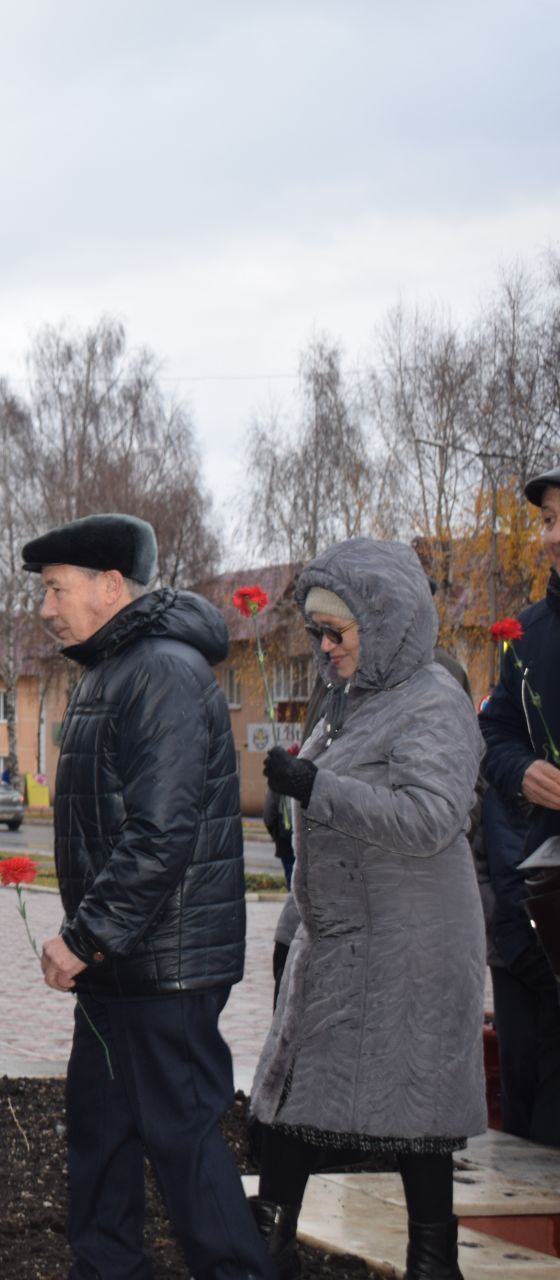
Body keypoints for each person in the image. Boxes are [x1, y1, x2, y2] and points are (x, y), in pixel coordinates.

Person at [22, 513, 268, 1280]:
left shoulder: (160, 670)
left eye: (57, 589)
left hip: (166, 967)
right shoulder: (111, 669)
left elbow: (161, 834)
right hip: (121, 968)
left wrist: (85, 937)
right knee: (101, 1140)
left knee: (185, 1145)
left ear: (111, 586)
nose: (46, 608)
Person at [250, 538, 486, 1280]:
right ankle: (268, 1247)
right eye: (316, 634)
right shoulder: (350, 702)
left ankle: (431, 1263)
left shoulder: (433, 700)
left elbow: (431, 816)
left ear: (382, 626)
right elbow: (331, 815)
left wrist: (315, 791)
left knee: (415, 1113)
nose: (324, 648)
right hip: (350, 942)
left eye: (337, 634)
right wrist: (290, 819)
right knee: (296, 1100)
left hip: (413, 947)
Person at [480, 463, 560, 1148]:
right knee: (532, 1123)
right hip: (537, 917)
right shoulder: (526, 636)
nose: (551, 538)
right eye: (547, 521)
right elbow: (493, 734)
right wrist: (522, 769)